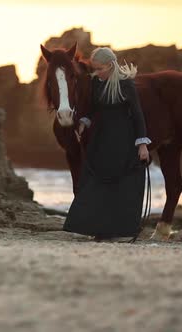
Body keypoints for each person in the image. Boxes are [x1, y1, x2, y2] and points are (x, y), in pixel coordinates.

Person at [63, 47, 151, 242]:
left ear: (111, 65)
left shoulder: (125, 84)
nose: (96, 72)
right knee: (95, 182)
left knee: (121, 185)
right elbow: (94, 108)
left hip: (123, 140)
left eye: (100, 68)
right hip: (101, 139)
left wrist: (142, 144)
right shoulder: (96, 82)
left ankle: (121, 231)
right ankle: (92, 227)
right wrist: (84, 122)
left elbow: (137, 115)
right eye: (94, 69)